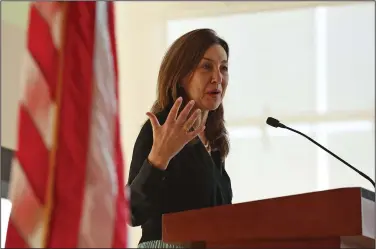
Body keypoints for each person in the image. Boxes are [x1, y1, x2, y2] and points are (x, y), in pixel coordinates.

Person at [127, 28, 233, 248]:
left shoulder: (214, 141)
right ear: (182, 76)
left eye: (223, 68)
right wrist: (158, 159)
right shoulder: (161, 129)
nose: (218, 78)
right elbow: (131, 212)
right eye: (206, 67)